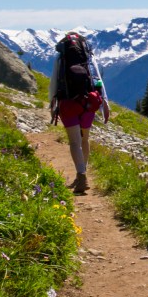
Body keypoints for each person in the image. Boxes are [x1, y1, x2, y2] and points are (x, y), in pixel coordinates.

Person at [49, 31, 110, 194]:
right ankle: (83, 172)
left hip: (68, 104)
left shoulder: (61, 58)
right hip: (88, 103)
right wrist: (105, 102)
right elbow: (98, 79)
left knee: (75, 142)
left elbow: (54, 81)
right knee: (85, 139)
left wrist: (52, 104)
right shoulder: (88, 56)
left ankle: (81, 175)